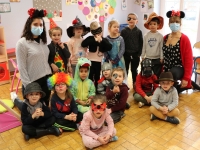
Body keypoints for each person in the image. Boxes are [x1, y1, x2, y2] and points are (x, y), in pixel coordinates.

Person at [16, 8, 52, 106]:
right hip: (33, 82)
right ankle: (16, 100)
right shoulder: (22, 43)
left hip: (46, 80)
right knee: (33, 112)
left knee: (44, 109)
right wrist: (29, 87)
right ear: (29, 26)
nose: (39, 27)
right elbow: (21, 67)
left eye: (41, 25)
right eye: (35, 24)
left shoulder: (43, 42)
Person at [163, 10, 200, 93]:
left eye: (177, 22)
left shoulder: (184, 39)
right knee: (164, 87)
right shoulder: (165, 38)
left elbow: (189, 60)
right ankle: (189, 86)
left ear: (180, 24)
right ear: (169, 24)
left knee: (171, 76)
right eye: (172, 22)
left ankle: (174, 92)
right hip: (167, 67)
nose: (174, 24)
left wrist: (186, 78)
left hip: (178, 68)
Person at [82, 21, 112, 89]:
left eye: (99, 31)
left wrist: (101, 40)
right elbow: (83, 44)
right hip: (90, 60)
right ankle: (89, 89)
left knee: (97, 75)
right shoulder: (90, 38)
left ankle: (97, 88)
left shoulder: (104, 39)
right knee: (90, 76)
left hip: (98, 61)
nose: (98, 33)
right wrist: (94, 39)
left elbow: (109, 47)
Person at [120, 13, 143, 89]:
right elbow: (121, 43)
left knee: (134, 70)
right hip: (126, 54)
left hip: (135, 54)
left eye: (134, 18)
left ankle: (135, 85)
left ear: (137, 21)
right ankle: (125, 85)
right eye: (130, 18)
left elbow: (141, 43)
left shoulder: (139, 32)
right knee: (125, 70)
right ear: (127, 20)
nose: (131, 20)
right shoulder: (123, 31)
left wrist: (139, 54)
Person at [141, 12, 164, 78]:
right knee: (148, 74)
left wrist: (161, 57)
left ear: (158, 25)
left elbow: (161, 47)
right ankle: (148, 86)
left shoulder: (160, 36)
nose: (152, 26)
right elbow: (144, 46)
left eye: (154, 24)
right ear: (148, 25)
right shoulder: (146, 36)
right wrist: (142, 56)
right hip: (148, 57)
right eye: (150, 24)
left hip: (157, 58)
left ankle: (156, 86)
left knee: (156, 74)